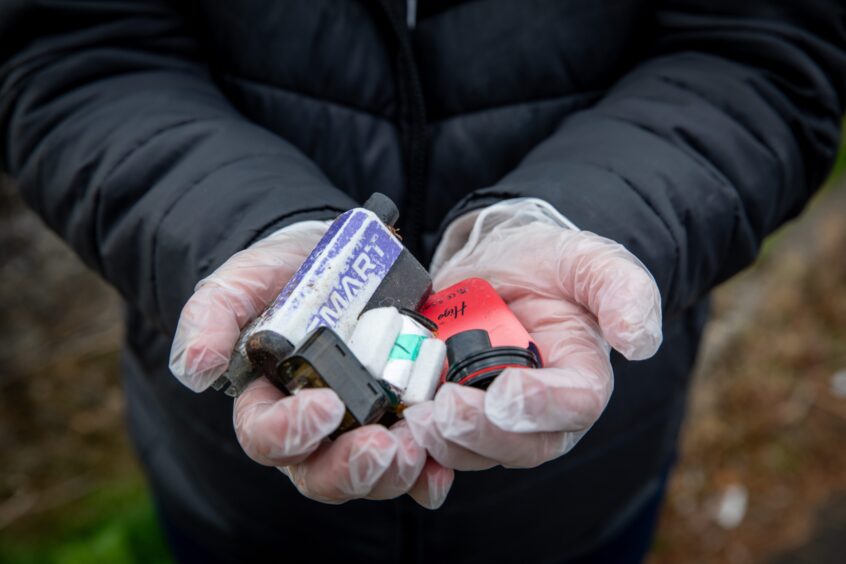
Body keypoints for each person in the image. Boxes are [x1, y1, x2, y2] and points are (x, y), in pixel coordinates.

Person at [1, 1, 844, 562]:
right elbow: (76, 48)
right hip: (239, 495)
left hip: (576, 489)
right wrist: (237, 230)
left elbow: (762, 50)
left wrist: (585, 218)